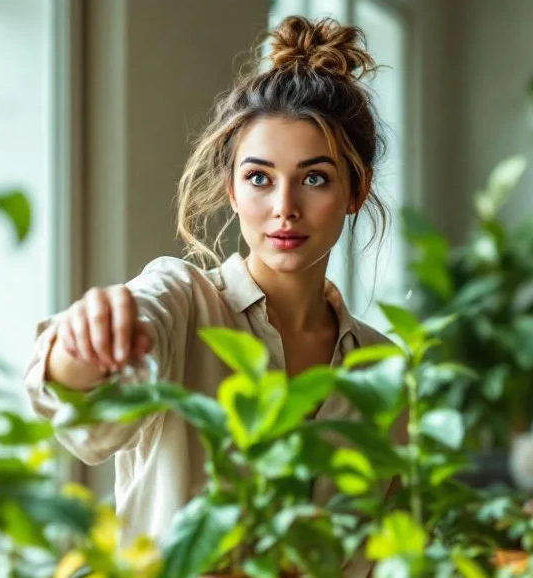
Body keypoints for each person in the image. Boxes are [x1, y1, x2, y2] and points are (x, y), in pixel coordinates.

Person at [25, 15, 394, 546]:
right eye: (259, 179)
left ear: (356, 191)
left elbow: (376, 565)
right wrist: (85, 339)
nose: (284, 208)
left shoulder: (379, 367)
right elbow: (84, 411)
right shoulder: (182, 300)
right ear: (231, 190)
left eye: (315, 178)